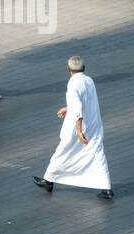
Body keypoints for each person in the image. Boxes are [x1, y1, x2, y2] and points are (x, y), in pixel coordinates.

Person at [33, 56, 113, 199]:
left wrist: (78, 130)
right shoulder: (89, 80)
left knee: (63, 150)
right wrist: (68, 108)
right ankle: (106, 187)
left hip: (79, 125)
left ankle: (49, 181)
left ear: (68, 69)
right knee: (97, 152)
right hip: (94, 123)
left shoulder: (72, 84)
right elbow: (84, 102)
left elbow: (78, 109)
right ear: (84, 68)